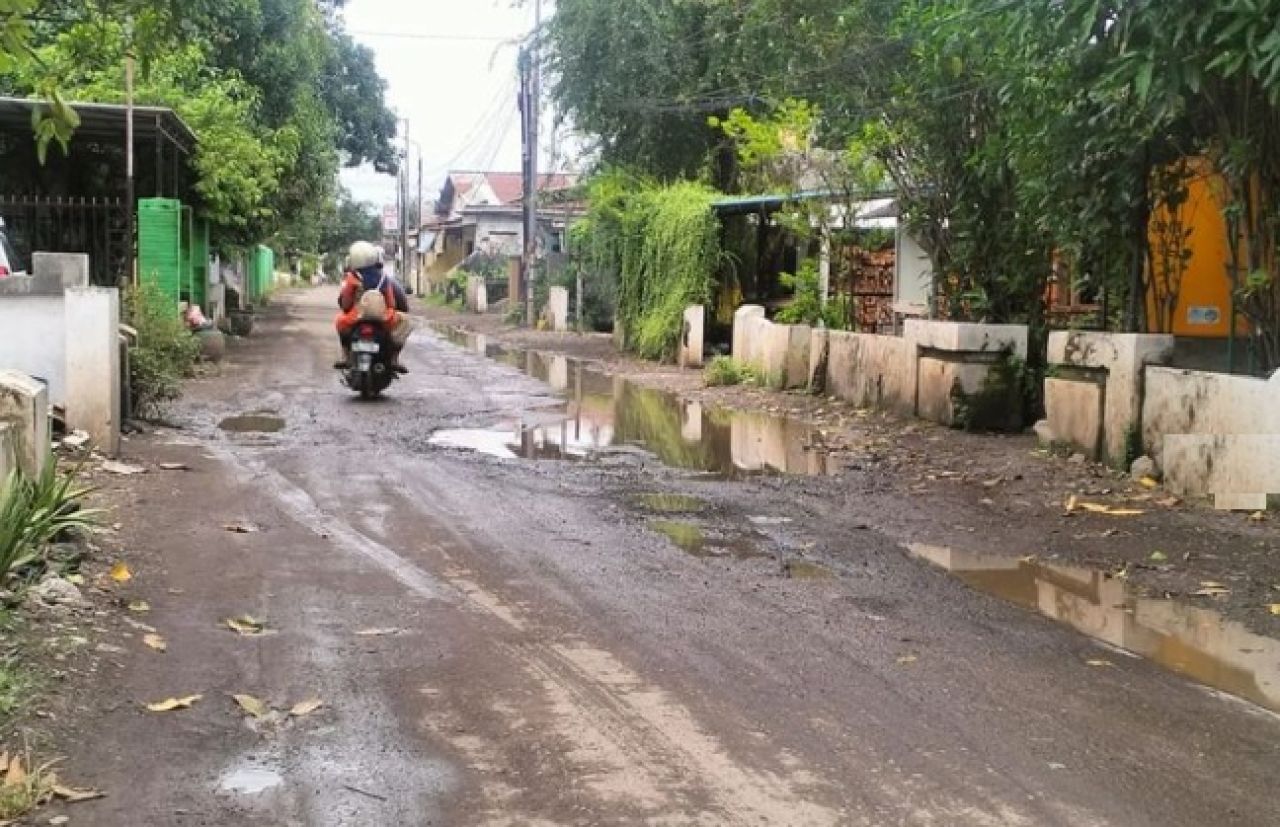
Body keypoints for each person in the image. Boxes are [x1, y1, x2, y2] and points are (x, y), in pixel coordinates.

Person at [333, 241, 413, 372]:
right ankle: (394, 358)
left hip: (356, 317)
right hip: (383, 317)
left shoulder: (352, 278)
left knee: (339, 321)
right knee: (406, 322)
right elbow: (391, 303)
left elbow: (346, 304)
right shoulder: (384, 278)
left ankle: (345, 356)